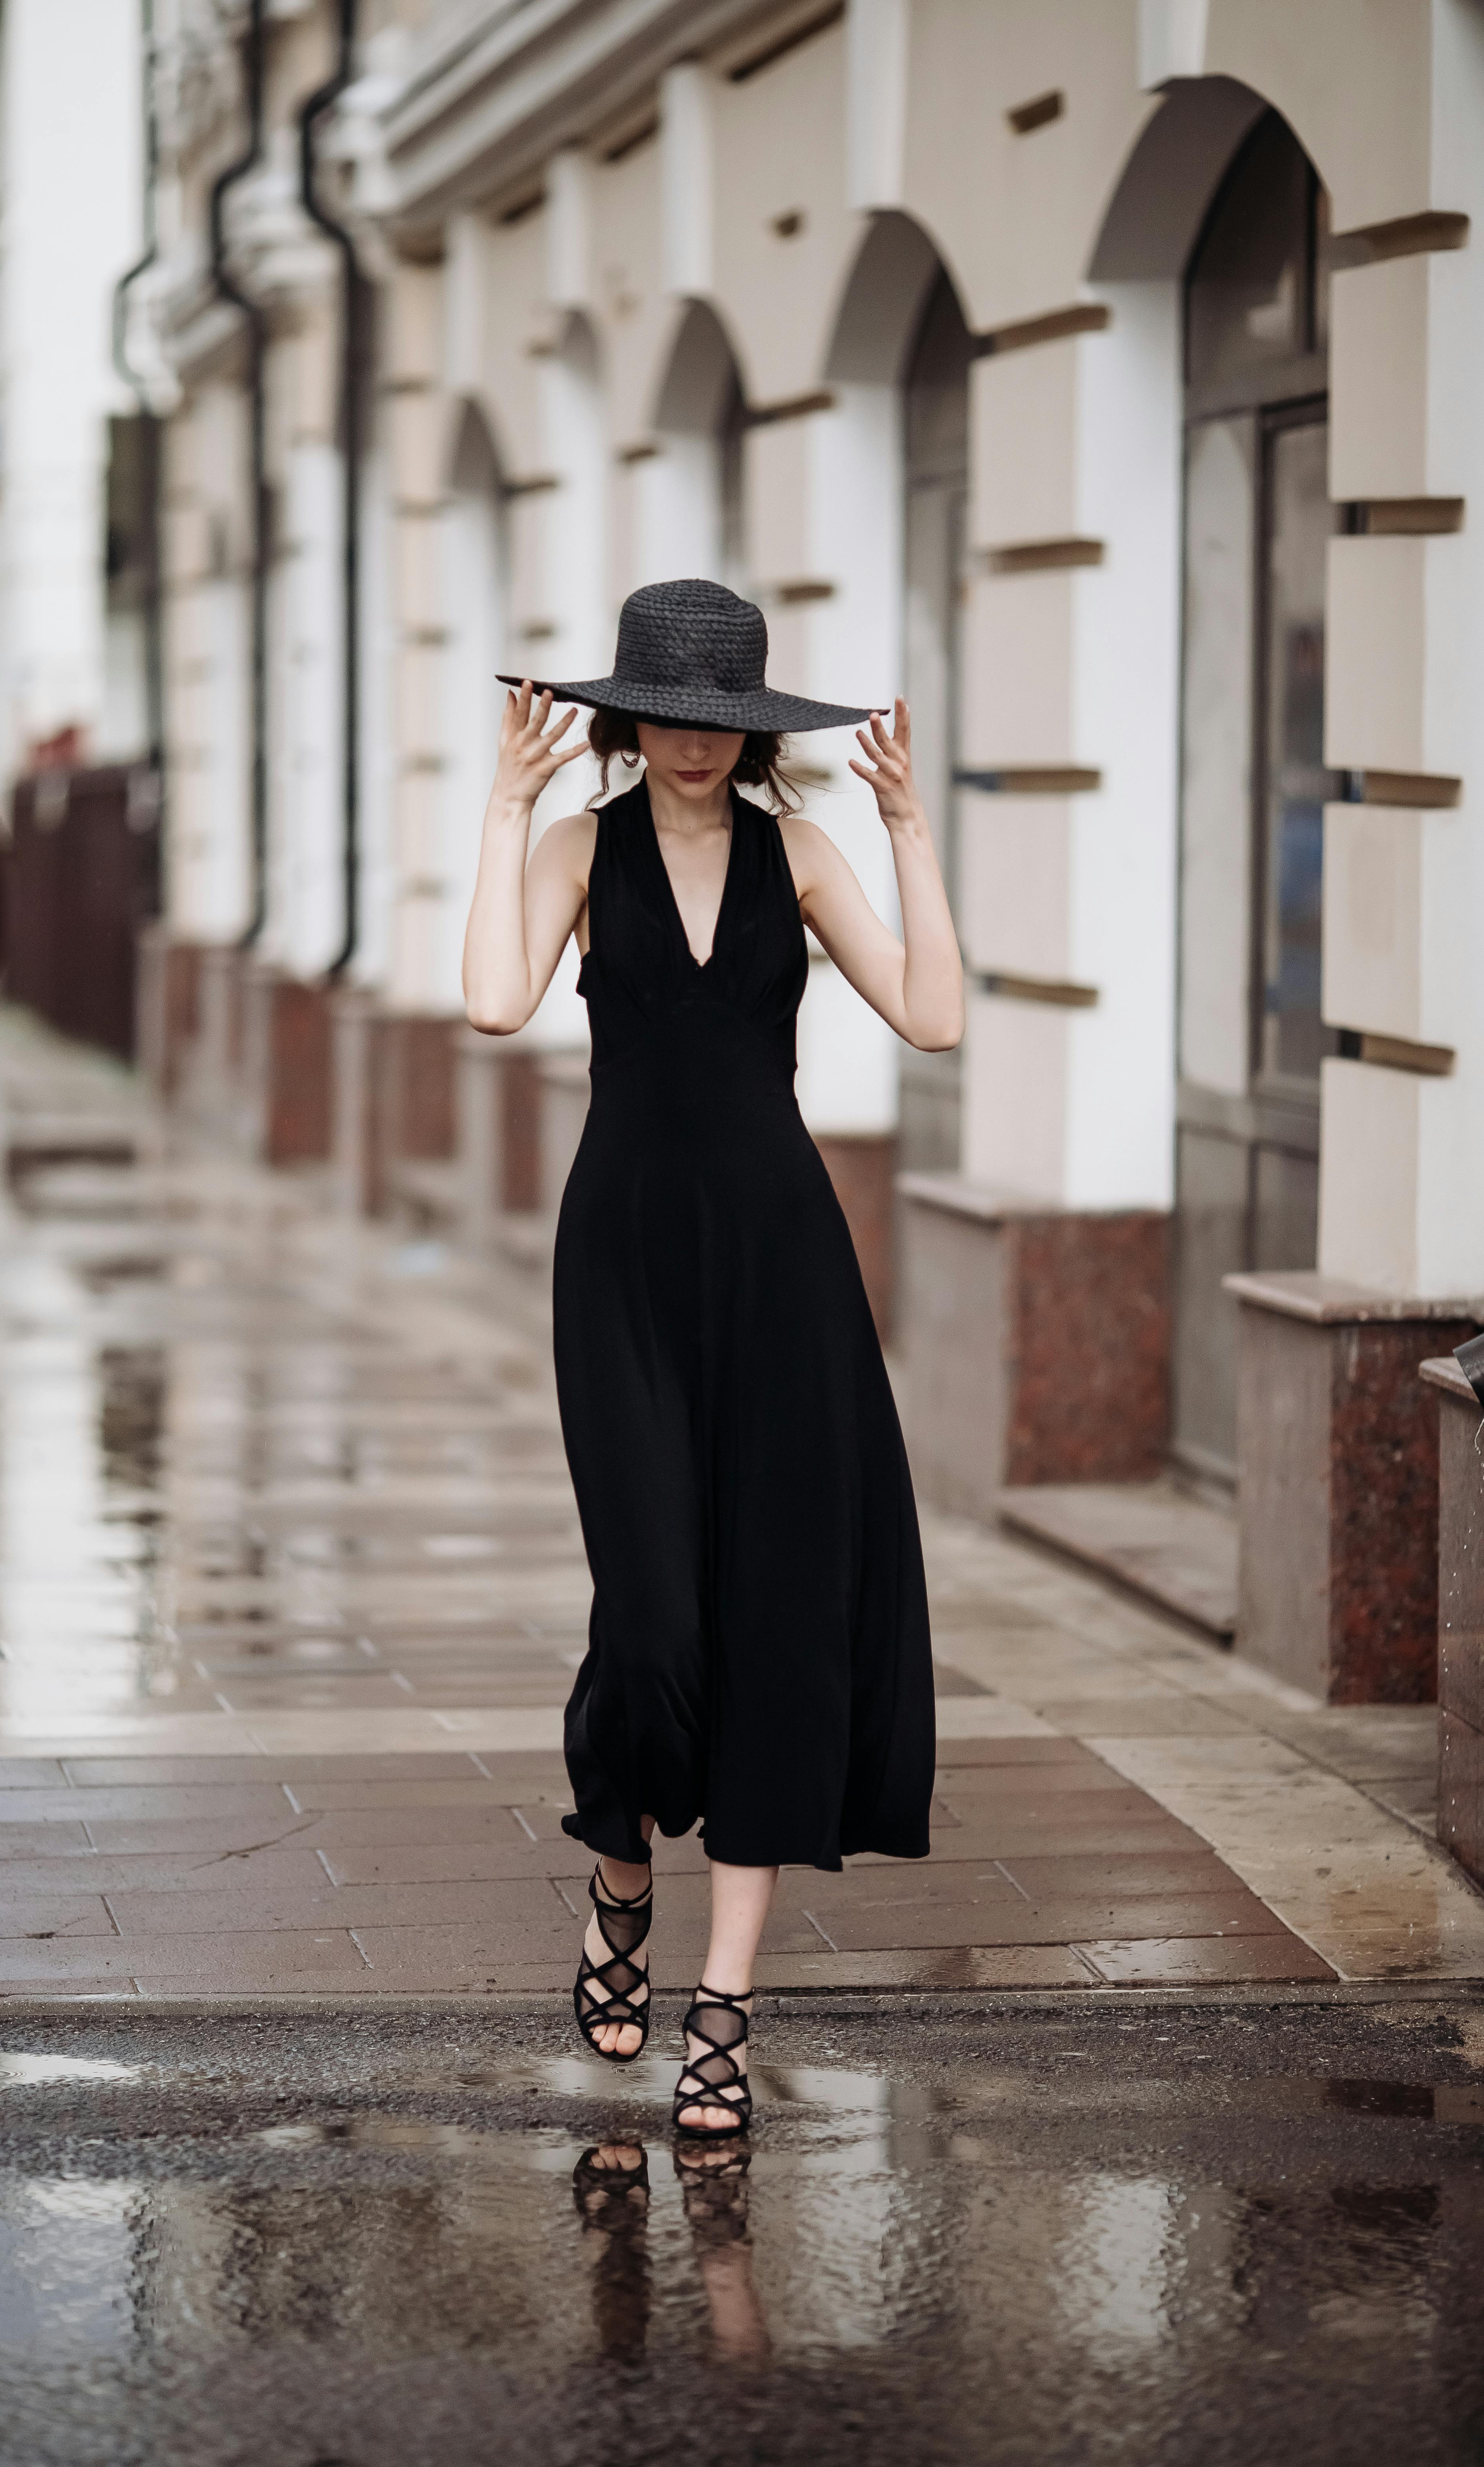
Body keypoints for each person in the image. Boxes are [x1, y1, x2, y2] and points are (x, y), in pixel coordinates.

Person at [463, 578, 964, 2138]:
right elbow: (489, 1002)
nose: (692, 742)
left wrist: (907, 834)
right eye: (669, 712)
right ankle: (621, 1869)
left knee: (773, 1624)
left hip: (782, 1272)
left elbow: (932, 1018)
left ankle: (724, 2008)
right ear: (633, 714)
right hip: (618, 1265)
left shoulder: (797, 853)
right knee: (656, 1617)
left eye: (720, 718)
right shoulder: (578, 849)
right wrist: (504, 805)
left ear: (750, 729)